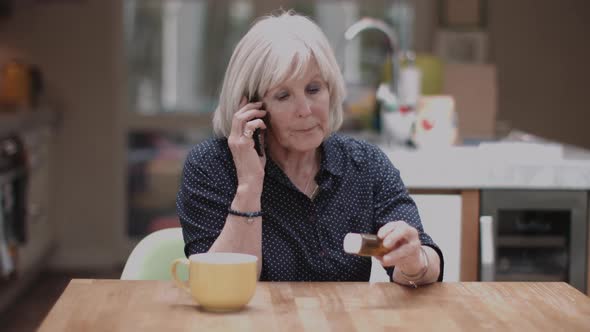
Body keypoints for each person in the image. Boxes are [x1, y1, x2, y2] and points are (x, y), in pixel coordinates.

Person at [177, 10, 444, 285]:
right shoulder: (210, 167)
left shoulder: (364, 163)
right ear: (250, 108)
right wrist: (249, 185)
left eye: (314, 89)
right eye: (283, 95)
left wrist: (415, 263)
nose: (305, 110)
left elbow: (425, 258)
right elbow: (220, 285)